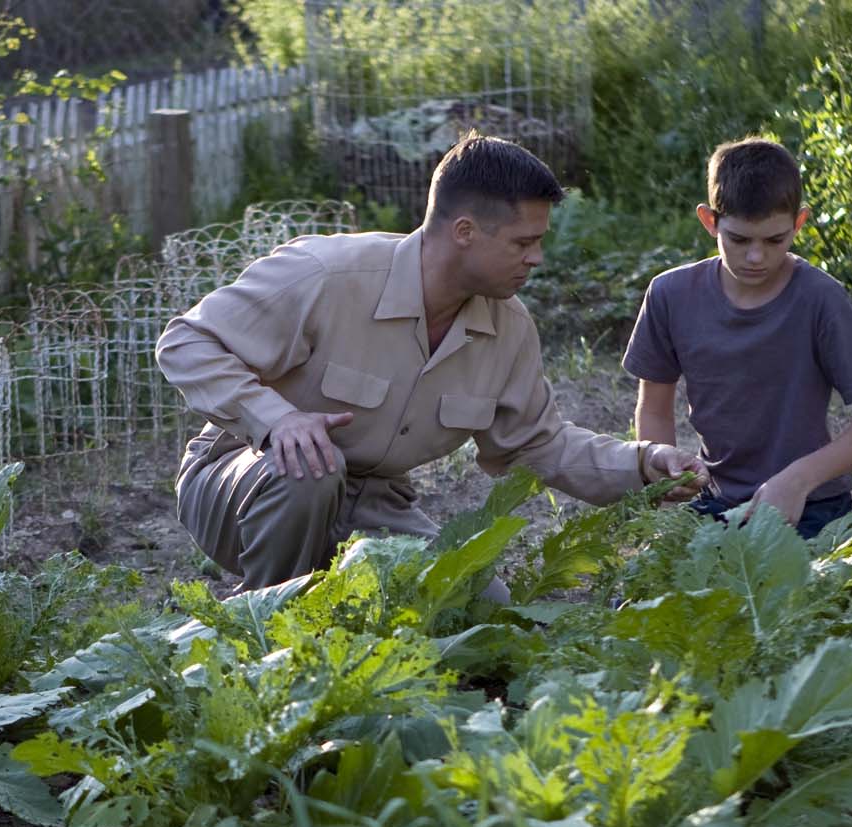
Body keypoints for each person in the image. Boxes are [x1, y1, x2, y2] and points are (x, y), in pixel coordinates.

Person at [157, 134, 699, 591]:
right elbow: (185, 342)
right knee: (309, 469)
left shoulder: (508, 327)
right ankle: (259, 632)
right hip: (245, 483)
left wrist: (642, 466)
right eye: (523, 243)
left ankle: (336, 618)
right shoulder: (326, 275)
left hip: (370, 506)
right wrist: (275, 420)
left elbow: (536, 444)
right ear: (464, 232)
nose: (536, 258)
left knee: (481, 603)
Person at [623, 137, 852, 540]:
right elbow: (653, 407)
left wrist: (798, 480)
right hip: (715, 503)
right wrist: (663, 467)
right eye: (739, 240)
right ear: (709, 221)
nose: (756, 257)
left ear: (799, 223)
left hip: (811, 508)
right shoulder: (670, 295)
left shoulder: (820, 298)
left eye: (775, 240)